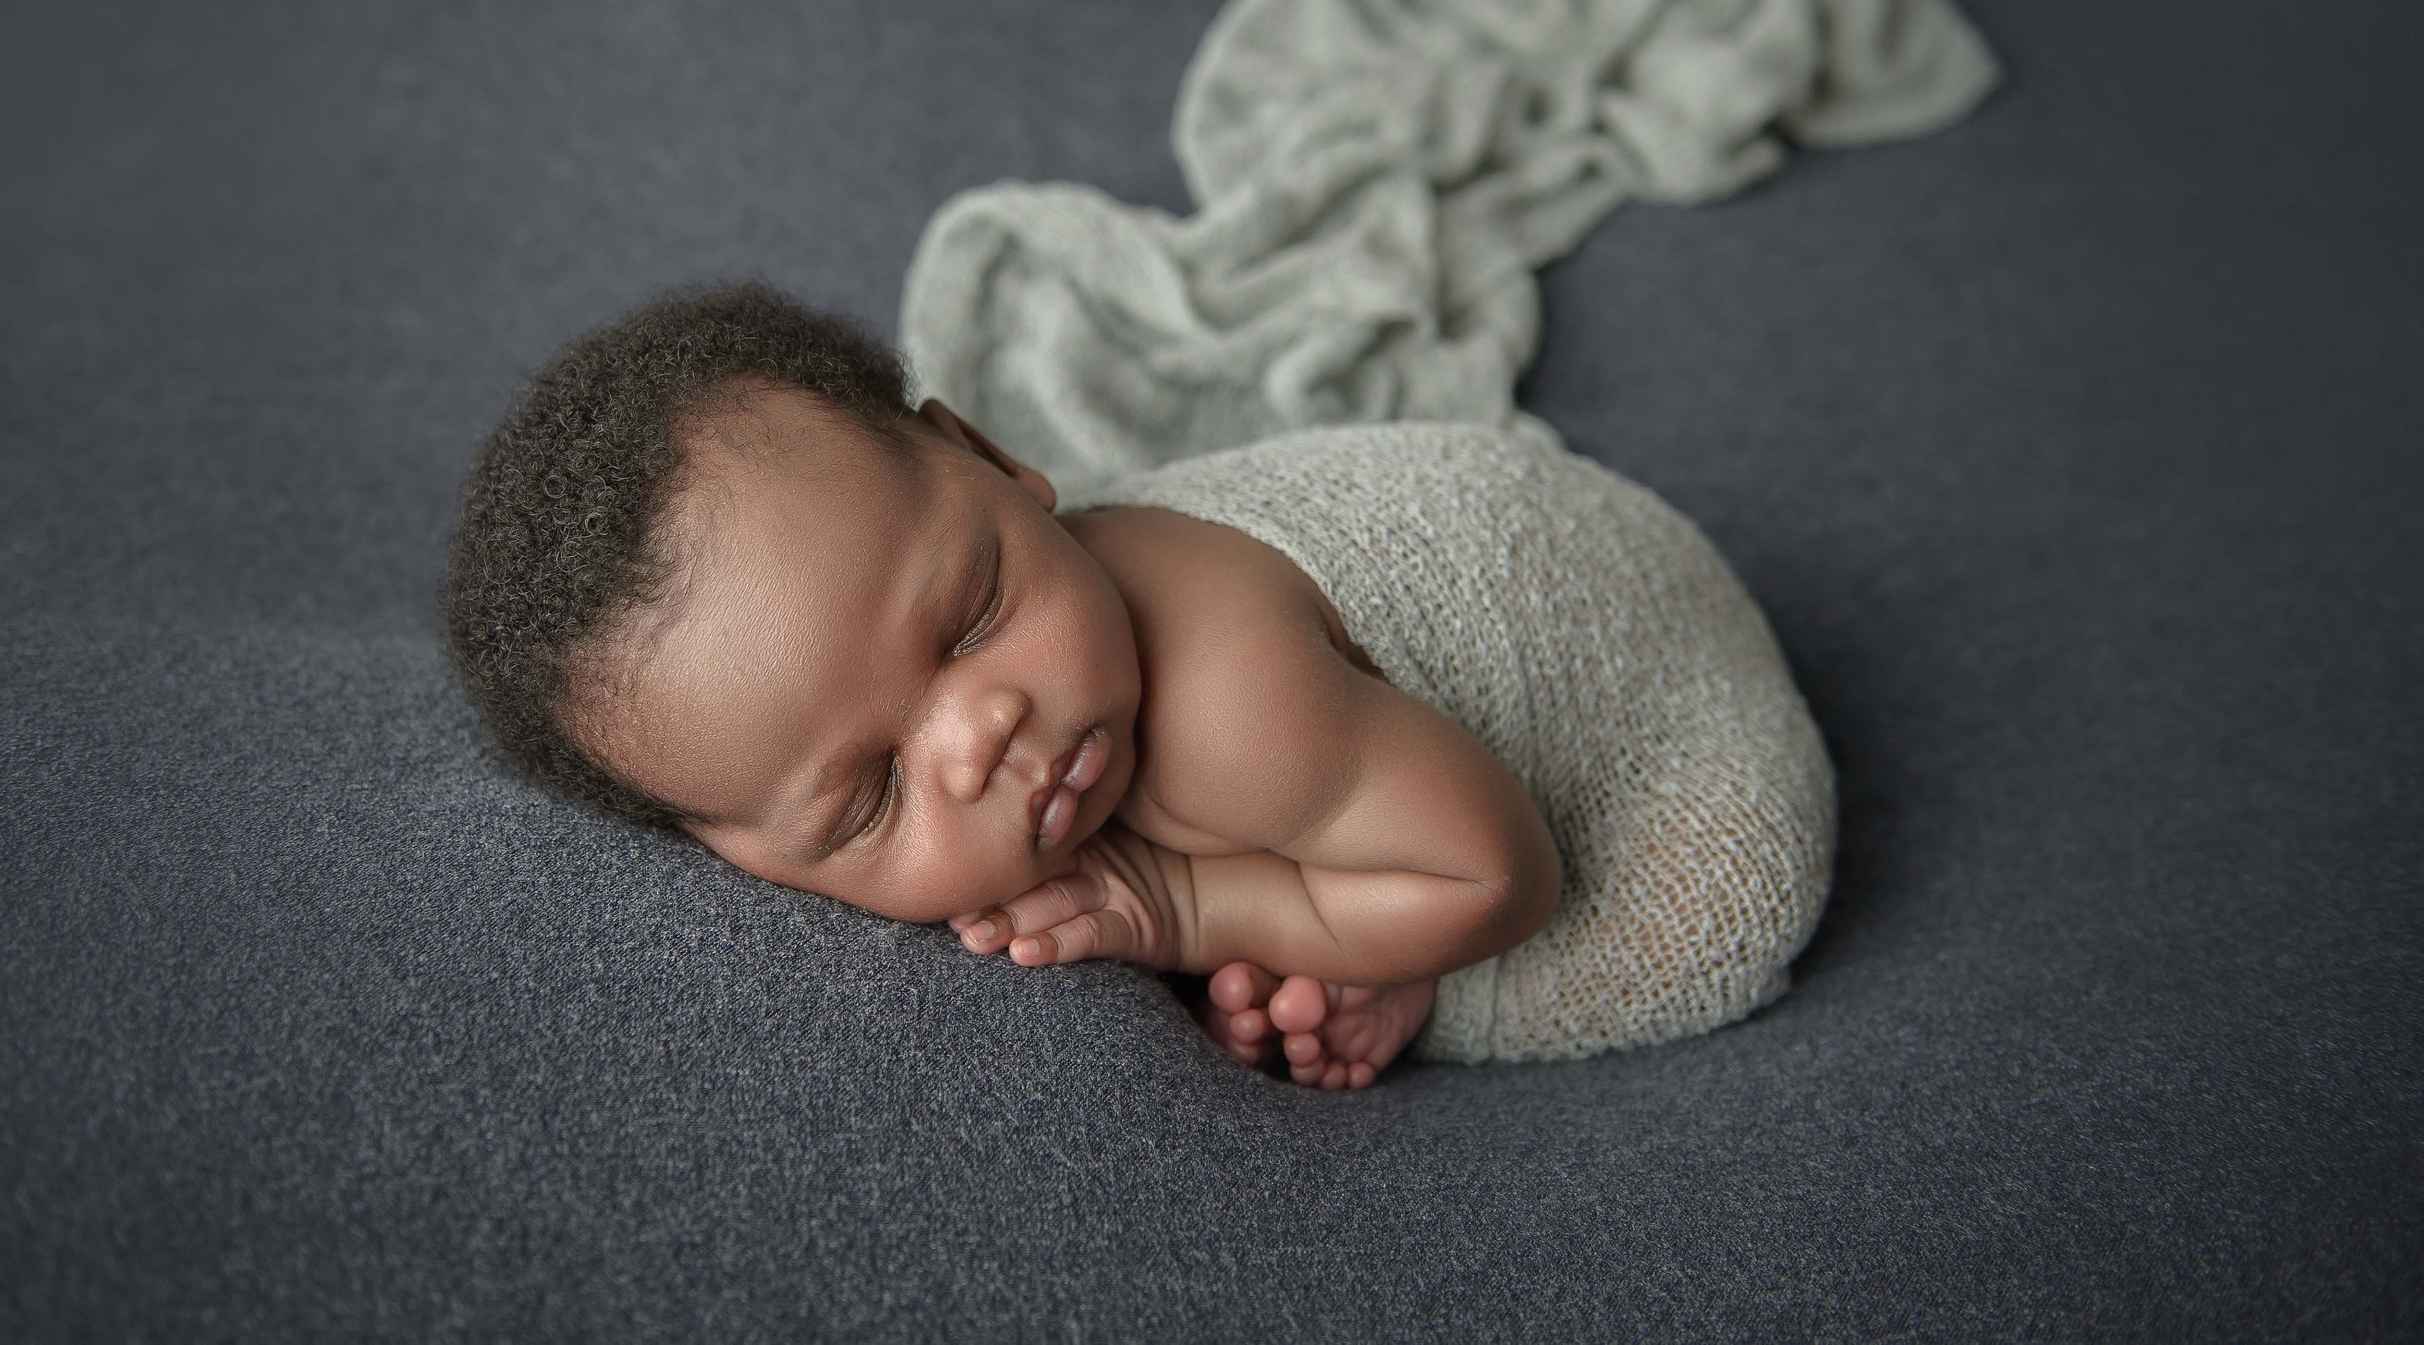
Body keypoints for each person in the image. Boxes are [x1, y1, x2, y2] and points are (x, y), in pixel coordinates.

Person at [441, 281, 1833, 1087]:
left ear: (992, 453)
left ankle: (1410, 968)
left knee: (1727, 915)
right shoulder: (1033, 653)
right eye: (869, 794)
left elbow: (1503, 873)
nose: (979, 734)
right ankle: (1357, 895)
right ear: (736, 858)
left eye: (973, 611)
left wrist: (1180, 902)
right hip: (1382, 762)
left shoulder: (1229, 715)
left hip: (1646, 667)